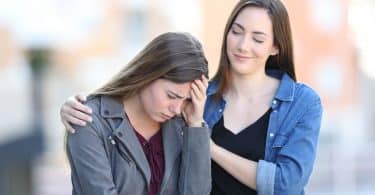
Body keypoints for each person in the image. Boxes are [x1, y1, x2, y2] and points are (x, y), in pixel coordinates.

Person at [61, 0, 323, 194]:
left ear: (276, 46)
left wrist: (207, 145)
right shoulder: (198, 97)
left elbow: (286, 183)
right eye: (237, 31)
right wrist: (75, 108)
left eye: (258, 38)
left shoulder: (301, 103)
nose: (243, 45)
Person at [63, 32, 211, 195]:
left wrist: (196, 125)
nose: (176, 109)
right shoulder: (87, 120)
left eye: (186, 100)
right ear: (148, 74)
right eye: (171, 96)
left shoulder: (182, 126)